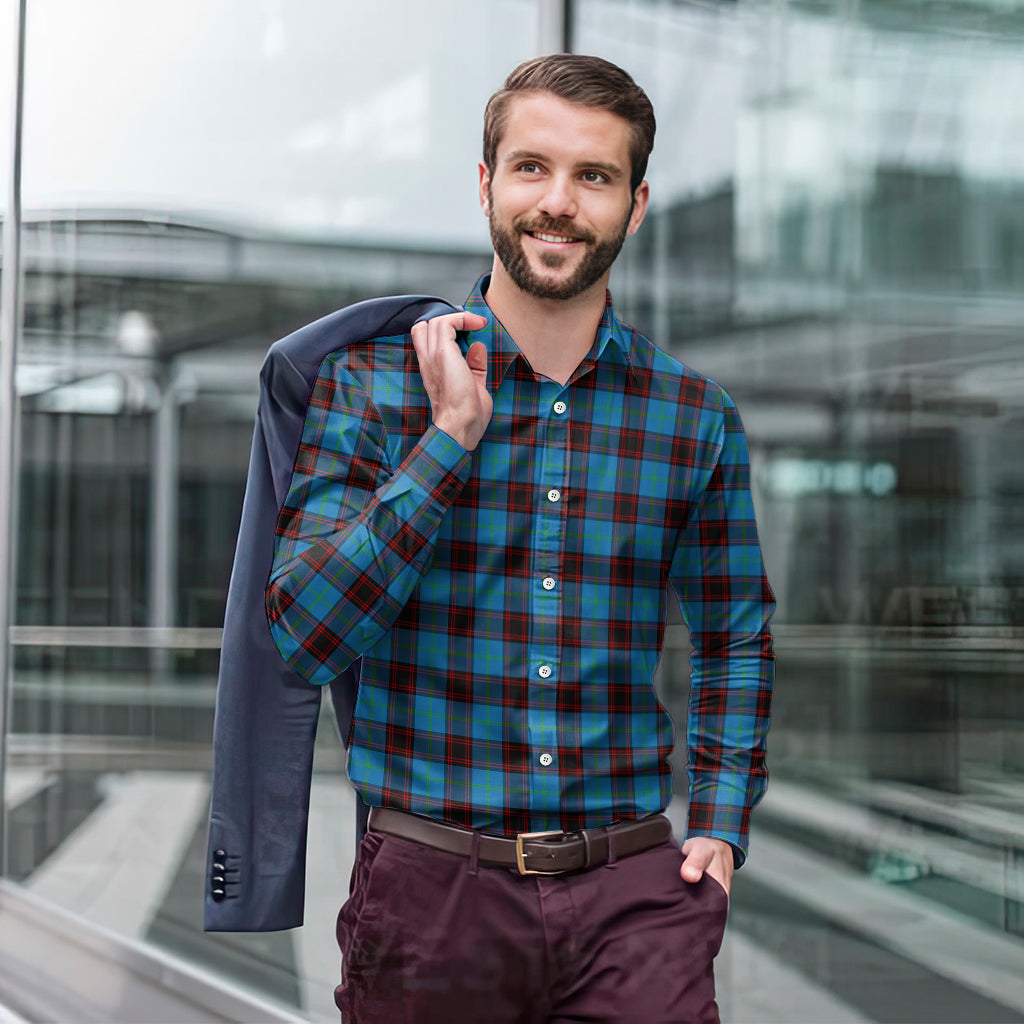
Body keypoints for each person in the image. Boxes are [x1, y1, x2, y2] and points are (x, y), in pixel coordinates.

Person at [265, 53, 775, 1024]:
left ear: (636, 203)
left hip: (634, 896)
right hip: (432, 895)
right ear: (486, 182)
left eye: (595, 176)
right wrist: (449, 440)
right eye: (533, 167)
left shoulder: (690, 417)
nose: (559, 202)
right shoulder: (373, 386)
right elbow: (303, 633)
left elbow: (734, 632)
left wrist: (717, 818)